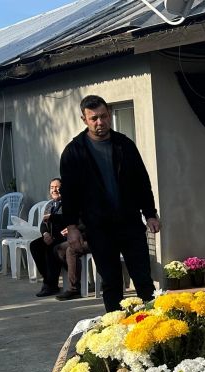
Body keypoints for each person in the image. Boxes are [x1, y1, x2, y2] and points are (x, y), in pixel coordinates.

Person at [59, 95, 160, 312]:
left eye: (104, 116)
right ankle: (116, 327)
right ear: (84, 120)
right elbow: (69, 193)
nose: (100, 122)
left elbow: (142, 182)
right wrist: (72, 227)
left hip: (130, 223)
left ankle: (154, 325)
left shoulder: (124, 145)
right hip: (99, 228)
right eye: (94, 118)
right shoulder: (74, 151)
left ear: (109, 115)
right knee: (112, 283)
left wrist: (150, 213)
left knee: (143, 280)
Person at [30, 178, 66, 297]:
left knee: (51, 248)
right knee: (35, 245)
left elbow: (67, 219)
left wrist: (52, 217)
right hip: (51, 236)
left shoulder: (68, 203)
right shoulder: (50, 205)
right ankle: (48, 280)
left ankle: (50, 285)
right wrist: (45, 234)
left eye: (57, 187)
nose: (54, 190)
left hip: (63, 237)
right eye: (52, 188)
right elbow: (43, 224)